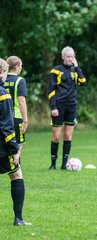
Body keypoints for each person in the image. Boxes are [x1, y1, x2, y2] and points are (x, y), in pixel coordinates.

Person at [0, 58, 31, 226]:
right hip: (3, 147)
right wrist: (14, 151)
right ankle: (18, 218)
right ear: (2, 72)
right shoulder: (3, 93)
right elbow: (6, 126)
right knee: (16, 175)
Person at [47, 46, 87, 170]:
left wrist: (77, 67)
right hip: (58, 106)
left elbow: (83, 82)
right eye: (68, 56)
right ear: (63, 57)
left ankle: (64, 164)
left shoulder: (75, 71)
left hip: (72, 106)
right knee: (56, 137)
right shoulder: (56, 70)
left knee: (68, 136)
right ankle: (53, 164)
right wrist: (53, 107)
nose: (70, 59)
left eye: (72, 56)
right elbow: (51, 90)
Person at [5, 56, 28, 158]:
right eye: (21, 66)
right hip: (15, 118)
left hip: (3, 118)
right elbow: (21, 101)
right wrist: (25, 120)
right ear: (17, 67)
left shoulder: (2, 79)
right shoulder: (20, 80)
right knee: (17, 147)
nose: (21, 68)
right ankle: (16, 173)